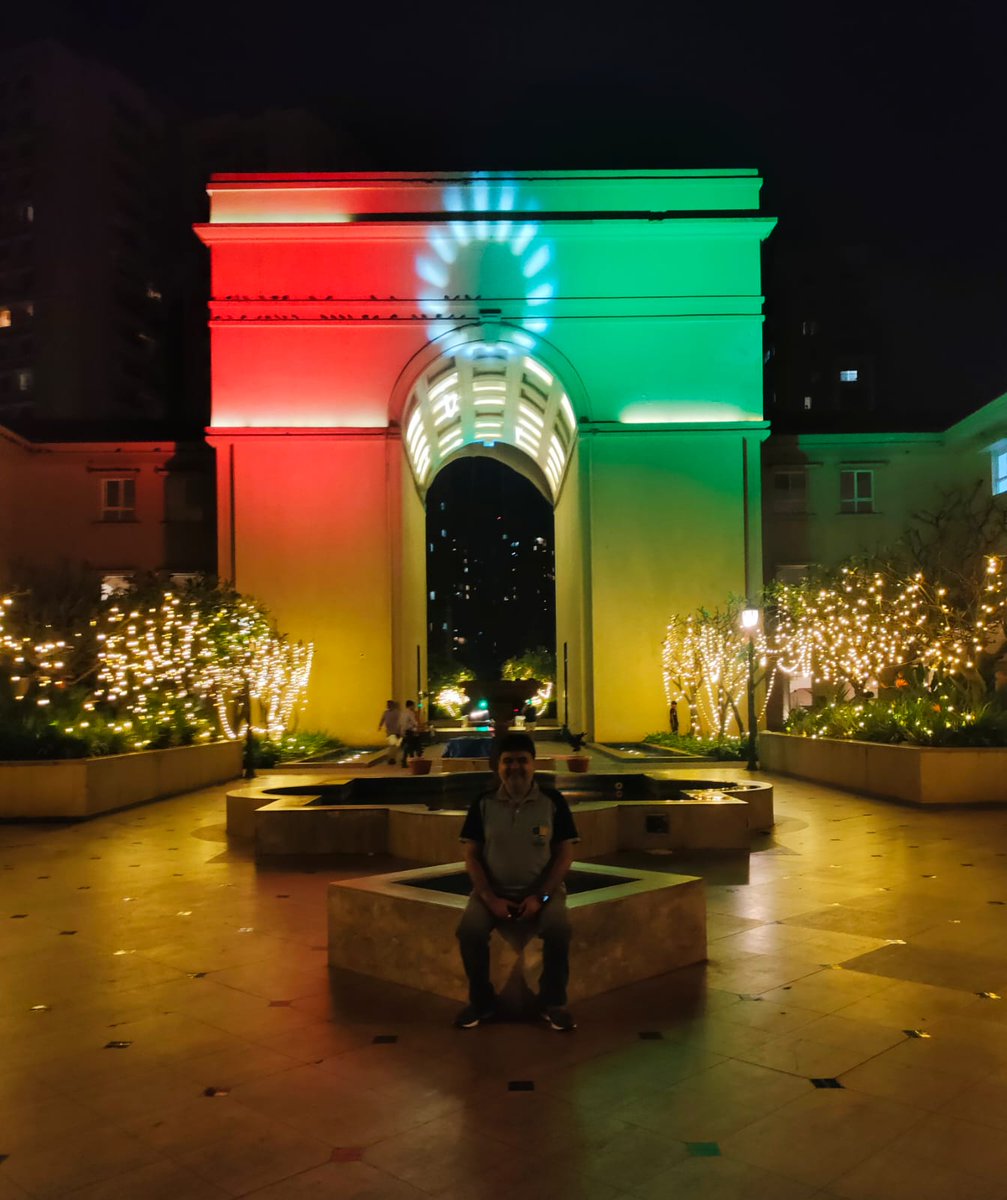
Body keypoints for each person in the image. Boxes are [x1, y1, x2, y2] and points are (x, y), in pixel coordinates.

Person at [454, 731, 579, 1032]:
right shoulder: (483, 803)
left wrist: (542, 897)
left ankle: (553, 1002)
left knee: (559, 929)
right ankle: (481, 1002)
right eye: (507, 761)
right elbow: (471, 855)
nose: (515, 767)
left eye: (522, 760)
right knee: (469, 931)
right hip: (492, 892)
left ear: (534, 764)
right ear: (497, 766)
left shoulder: (553, 802)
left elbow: (565, 854)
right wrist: (489, 898)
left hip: (543, 892)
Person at [377, 700, 402, 765]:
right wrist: (380, 726)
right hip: (390, 732)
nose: (387, 706)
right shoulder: (386, 713)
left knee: (393, 746)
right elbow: (382, 720)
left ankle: (392, 758)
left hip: (396, 731)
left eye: (388, 704)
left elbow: (401, 722)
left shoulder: (397, 712)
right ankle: (392, 758)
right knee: (393, 746)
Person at [399, 699, 421, 767]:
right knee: (413, 746)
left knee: (408, 746)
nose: (414, 707)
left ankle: (405, 760)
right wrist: (417, 726)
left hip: (405, 731)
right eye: (413, 705)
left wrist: (402, 732)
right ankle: (412, 761)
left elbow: (401, 723)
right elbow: (414, 722)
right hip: (410, 731)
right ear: (411, 705)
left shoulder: (402, 713)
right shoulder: (410, 713)